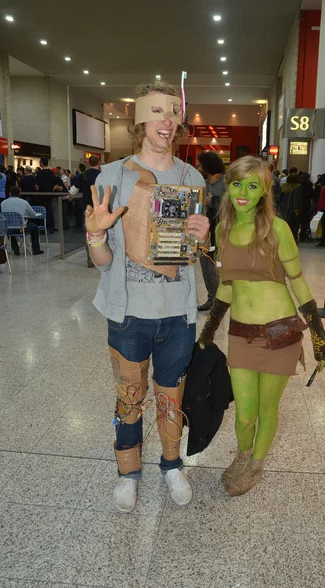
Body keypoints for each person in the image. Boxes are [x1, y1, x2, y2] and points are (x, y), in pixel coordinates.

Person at [85, 81, 209, 513]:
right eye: (158, 112)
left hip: (178, 313)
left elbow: (189, 256)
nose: (167, 121)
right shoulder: (114, 175)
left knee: (171, 395)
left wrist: (202, 236)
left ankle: (171, 465)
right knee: (129, 396)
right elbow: (102, 261)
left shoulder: (191, 178)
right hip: (128, 313)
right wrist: (96, 232)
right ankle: (127, 473)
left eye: (173, 113)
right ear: (140, 119)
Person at [198, 156, 325, 496]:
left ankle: (255, 463)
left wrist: (318, 333)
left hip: (280, 333)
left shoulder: (278, 229)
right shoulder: (223, 228)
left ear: (264, 191)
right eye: (237, 183)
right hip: (241, 334)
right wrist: (210, 327)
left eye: (253, 185)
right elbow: (227, 285)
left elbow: (298, 281)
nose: (243, 192)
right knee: (244, 413)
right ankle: (244, 455)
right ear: (227, 185)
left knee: (266, 409)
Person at [196, 151, 225, 311]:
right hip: (204, 234)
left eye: (200, 165)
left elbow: (231, 203)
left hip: (220, 233)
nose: (198, 168)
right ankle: (212, 298)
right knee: (205, 265)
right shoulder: (203, 183)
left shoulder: (226, 183)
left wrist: (211, 200)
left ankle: (219, 301)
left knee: (216, 267)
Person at [72, 155, 101, 267]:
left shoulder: (83, 175)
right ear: (99, 162)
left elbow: (73, 190)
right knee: (103, 232)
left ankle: (90, 259)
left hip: (88, 208)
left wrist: (70, 196)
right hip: (101, 208)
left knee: (88, 234)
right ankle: (102, 257)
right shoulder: (102, 174)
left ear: (88, 163)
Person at [1, 185, 44, 255]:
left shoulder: (3, 203)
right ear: (19, 193)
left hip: (7, 228)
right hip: (21, 227)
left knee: (10, 230)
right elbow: (33, 214)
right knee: (34, 227)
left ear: (9, 193)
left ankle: (15, 248)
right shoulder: (24, 202)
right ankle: (36, 250)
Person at [278, 167, 302, 240]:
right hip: (292, 210)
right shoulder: (298, 187)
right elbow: (298, 199)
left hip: (282, 208)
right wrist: (297, 210)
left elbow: (279, 197)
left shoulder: (283, 186)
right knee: (292, 227)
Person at [35, 157, 56, 232]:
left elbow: (37, 185)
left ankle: (43, 227)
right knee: (50, 210)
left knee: (42, 211)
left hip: (41, 195)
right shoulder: (51, 173)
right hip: (50, 195)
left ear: (41, 163)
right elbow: (55, 183)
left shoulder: (39, 173)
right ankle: (51, 227)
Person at [299, 172, 314, 242]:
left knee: (297, 220)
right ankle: (302, 235)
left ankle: (295, 234)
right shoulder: (310, 183)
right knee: (304, 221)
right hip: (306, 203)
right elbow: (312, 194)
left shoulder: (299, 183)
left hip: (299, 203)